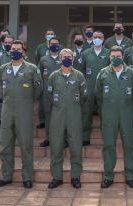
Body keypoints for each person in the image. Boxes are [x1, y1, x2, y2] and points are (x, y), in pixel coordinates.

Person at [0, 40, 42, 189]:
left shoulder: (32, 69)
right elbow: (0, 88)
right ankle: (6, 176)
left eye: (18, 49)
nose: (15, 51)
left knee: (25, 145)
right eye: (13, 49)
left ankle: (27, 177)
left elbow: (39, 89)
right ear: (9, 51)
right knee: (5, 145)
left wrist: (27, 100)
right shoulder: (3, 68)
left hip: (24, 110)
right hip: (7, 109)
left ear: (23, 51)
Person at [95, 46, 133, 189]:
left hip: (126, 114)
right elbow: (98, 94)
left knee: (129, 145)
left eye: (118, 56)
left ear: (122, 57)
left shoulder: (130, 72)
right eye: (113, 55)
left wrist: (126, 105)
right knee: (108, 145)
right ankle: (108, 176)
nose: (116, 58)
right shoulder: (103, 73)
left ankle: (130, 176)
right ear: (109, 57)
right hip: (109, 115)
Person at [47, 49, 87, 189]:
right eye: (64, 57)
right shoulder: (53, 76)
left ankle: (75, 176)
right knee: (56, 147)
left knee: (75, 146)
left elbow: (83, 96)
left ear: (73, 58)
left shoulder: (79, 76)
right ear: (60, 58)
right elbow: (49, 96)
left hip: (74, 114)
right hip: (57, 115)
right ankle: (56, 177)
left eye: (69, 57)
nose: (67, 59)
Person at [80, 31, 110, 146]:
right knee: (86, 112)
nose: (97, 39)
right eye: (95, 37)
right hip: (89, 86)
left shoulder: (108, 53)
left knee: (105, 113)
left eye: (100, 37)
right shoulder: (85, 53)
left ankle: (106, 137)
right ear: (92, 38)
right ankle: (85, 137)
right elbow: (81, 71)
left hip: (104, 87)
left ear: (103, 39)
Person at [38, 38, 63, 147]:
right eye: (52, 44)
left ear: (59, 45)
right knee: (48, 115)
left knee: (61, 116)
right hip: (47, 92)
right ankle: (48, 138)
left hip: (62, 91)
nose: (54, 46)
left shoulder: (63, 58)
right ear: (48, 45)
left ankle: (63, 139)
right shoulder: (43, 59)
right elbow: (39, 75)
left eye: (56, 44)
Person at [0, 34, 14, 146]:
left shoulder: (21, 57)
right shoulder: (1, 57)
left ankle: (14, 139)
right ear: (3, 43)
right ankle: (0, 138)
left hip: (15, 93)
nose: (8, 44)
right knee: (2, 117)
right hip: (3, 93)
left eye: (10, 43)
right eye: (6, 43)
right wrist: (0, 92)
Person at [34, 28, 56, 129]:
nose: (50, 35)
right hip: (44, 78)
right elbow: (38, 61)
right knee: (43, 101)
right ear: (45, 35)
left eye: (52, 34)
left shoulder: (59, 47)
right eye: (48, 34)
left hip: (56, 80)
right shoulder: (40, 47)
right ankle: (42, 120)